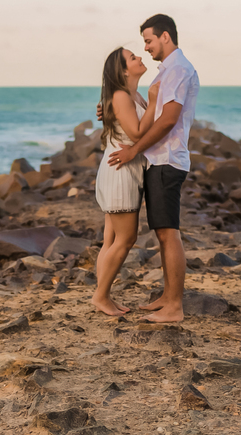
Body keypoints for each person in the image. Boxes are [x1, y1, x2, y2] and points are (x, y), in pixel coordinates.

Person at [107, 14, 200, 324]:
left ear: (165, 37)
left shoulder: (177, 70)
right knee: (163, 233)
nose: (145, 48)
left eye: (148, 40)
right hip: (160, 160)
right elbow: (151, 113)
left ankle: (174, 305)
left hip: (166, 160)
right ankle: (167, 296)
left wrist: (134, 149)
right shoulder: (171, 70)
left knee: (168, 233)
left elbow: (169, 119)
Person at [93, 47, 160, 316]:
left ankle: (103, 295)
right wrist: (156, 103)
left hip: (121, 169)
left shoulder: (130, 95)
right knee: (126, 237)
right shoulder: (121, 96)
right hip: (120, 171)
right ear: (122, 71)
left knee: (110, 239)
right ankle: (100, 296)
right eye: (133, 58)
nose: (140, 58)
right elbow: (135, 133)